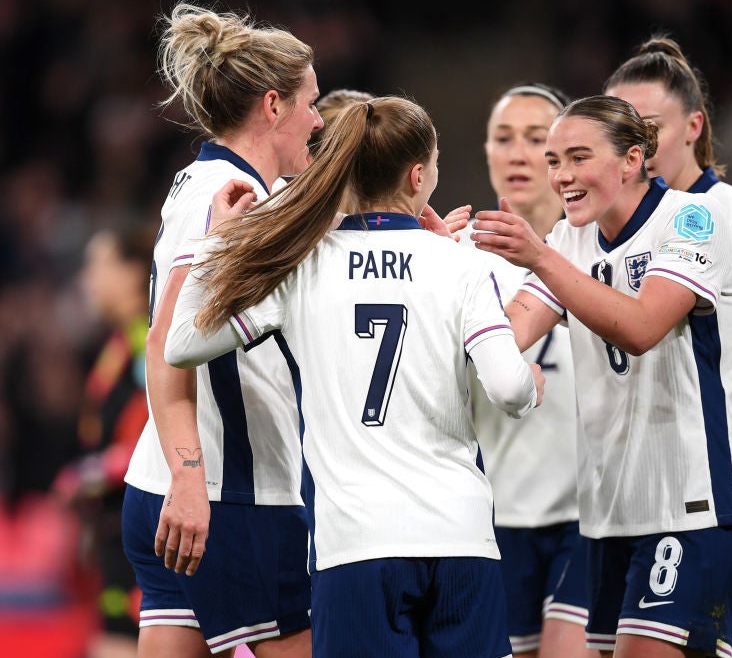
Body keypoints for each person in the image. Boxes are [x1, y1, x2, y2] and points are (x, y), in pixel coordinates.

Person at [163, 96, 544, 658]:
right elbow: (510, 389)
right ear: (419, 175)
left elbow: (183, 345)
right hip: (461, 534)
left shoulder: (302, 265)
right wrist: (532, 383)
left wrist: (216, 241)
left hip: (357, 543)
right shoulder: (457, 264)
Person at [473, 94, 732, 658]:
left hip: (692, 504)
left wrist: (542, 258)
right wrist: (443, 264)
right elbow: (508, 333)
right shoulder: (567, 240)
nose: (561, 176)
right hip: (609, 514)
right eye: (555, 161)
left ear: (632, 160)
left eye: (578, 157)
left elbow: (642, 326)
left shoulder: (690, 220)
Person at [121, 0, 321, 657]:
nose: (317, 121)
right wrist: (190, 479)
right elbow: (167, 341)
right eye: (310, 103)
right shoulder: (233, 197)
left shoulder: (203, 183)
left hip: (179, 486)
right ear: (272, 106)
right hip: (227, 493)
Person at [604, 37, 732, 658]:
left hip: (722, 500)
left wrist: (685, 362)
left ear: (695, 126)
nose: (634, 146)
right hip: (632, 501)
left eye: (650, 128)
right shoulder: (602, 228)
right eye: (622, 129)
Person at [458, 83, 595, 658]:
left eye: (536, 139)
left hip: (586, 514)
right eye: (503, 138)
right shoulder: (456, 253)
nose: (517, 154)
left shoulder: (596, 248)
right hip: (492, 515)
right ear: (486, 152)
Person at [54, 223, 154, 657]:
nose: (86, 279)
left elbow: (158, 437)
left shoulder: (150, 341)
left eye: (97, 265)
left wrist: (85, 475)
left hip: (149, 538)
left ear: (133, 272)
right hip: (116, 539)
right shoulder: (117, 346)